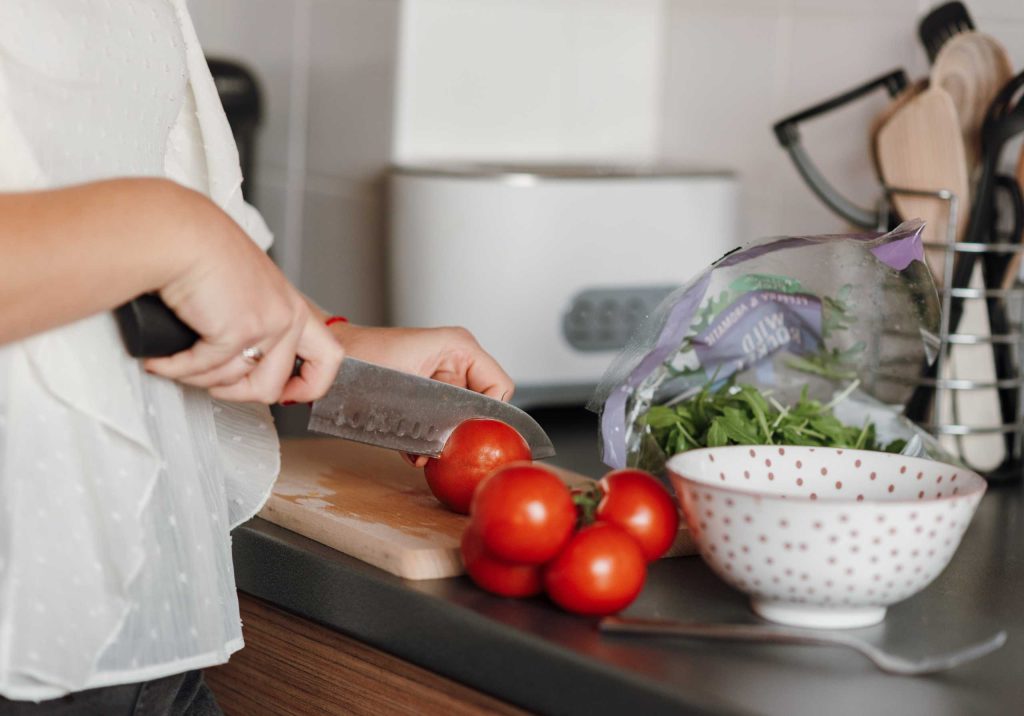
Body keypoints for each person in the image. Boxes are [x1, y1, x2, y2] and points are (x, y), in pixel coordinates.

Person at [0, 1, 513, 713]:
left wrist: (317, 335)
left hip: (135, 617)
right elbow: (153, 232)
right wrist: (173, 230)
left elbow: (86, 204)